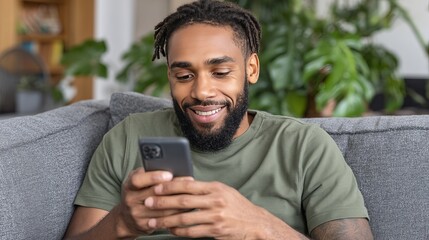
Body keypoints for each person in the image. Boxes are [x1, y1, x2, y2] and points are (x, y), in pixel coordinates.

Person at [64, 0, 373, 239]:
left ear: (251, 69)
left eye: (221, 72)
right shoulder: (127, 137)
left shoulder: (305, 146)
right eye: (184, 75)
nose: (201, 91)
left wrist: (259, 227)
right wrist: (122, 221)